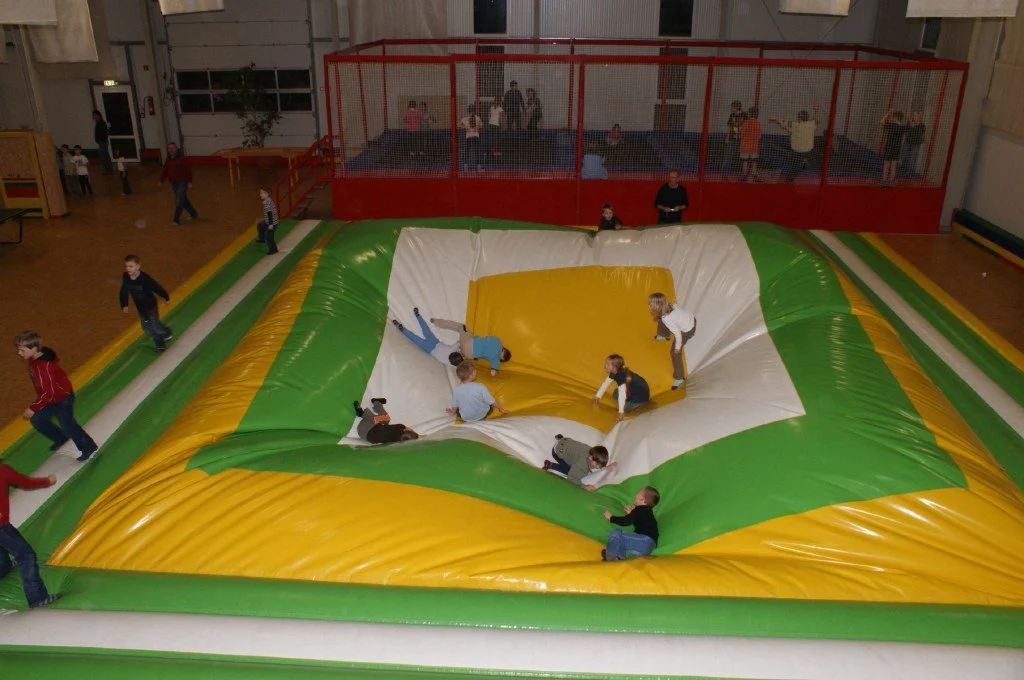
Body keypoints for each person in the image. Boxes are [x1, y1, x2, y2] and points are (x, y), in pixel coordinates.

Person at [15, 331, 98, 462]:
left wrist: (33, 408)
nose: (19, 353)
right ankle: (61, 438)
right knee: (37, 420)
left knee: (68, 425)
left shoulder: (44, 366)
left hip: (62, 398)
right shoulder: (34, 358)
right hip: (51, 398)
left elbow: (49, 392)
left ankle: (89, 447)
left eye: (22, 350)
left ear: (34, 348)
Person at [0, 464, 61, 608]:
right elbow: (25, 482)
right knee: (27, 556)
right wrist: (48, 480)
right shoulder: (3, 471)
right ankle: (37, 598)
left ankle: (4, 568)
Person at [120, 255, 174, 353]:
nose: (128, 269)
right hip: (141, 308)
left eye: (130, 266)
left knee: (155, 324)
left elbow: (156, 287)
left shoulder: (145, 279)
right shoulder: (126, 277)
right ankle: (159, 343)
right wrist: (124, 304)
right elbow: (124, 290)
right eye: (126, 266)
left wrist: (165, 296)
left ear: (138, 266)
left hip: (150, 306)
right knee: (146, 328)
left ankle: (166, 332)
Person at [430, 316, 511, 376]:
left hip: (469, 342)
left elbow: (484, 339)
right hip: (469, 355)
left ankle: (437, 322)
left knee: (461, 327)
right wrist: (495, 367)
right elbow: (493, 373)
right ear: (501, 359)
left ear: (504, 349)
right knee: (470, 358)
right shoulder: (496, 359)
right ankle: (457, 355)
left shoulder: (497, 340)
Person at [649, 292, 695, 390]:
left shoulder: (667, 318)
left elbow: (678, 334)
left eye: (651, 304)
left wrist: (677, 348)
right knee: (662, 319)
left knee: (674, 354)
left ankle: (679, 378)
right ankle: (664, 334)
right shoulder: (669, 305)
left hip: (688, 330)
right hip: (691, 318)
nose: (650, 306)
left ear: (658, 307)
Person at [601, 486, 660, 561]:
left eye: (638, 492)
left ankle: (610, 555)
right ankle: (619, 557)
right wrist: (631, 513)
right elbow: (639, 520)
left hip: (644, 541)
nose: (635, 494)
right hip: (649, 547)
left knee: (616, 534)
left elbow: (626, 521)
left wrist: (611, 518)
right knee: (621, 542)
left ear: (642, 498)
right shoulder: (648, 512)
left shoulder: (639, 510)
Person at [391, 307, 463, 367]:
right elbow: (455, 362)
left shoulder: (453, 349)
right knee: (415, 338)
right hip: (429, 349)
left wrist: (460, 350)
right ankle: (402, 329)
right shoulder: (447, 363)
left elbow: (459, 343)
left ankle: (417, 315)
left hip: (434, 342)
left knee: (425, 328)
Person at [543, 434, 617, 490]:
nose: (597, 467)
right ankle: (551, 465)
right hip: (557, 452)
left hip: (565, 441)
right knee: (569, 470)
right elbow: (572, 478)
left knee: (573, 452)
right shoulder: (582, 465)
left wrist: (606, 467)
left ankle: (560, 439)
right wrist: (584, 487)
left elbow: (598, 463)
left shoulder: (592, 451)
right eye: (596, 465)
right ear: (590, 457)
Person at [769, 103, 820, 183]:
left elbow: (783, 121)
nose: (797, 118)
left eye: (798, 117)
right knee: (796, 166)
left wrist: (774, 119)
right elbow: (816, 120)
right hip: (808, 151)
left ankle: (790, 179)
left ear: (799, 118)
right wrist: (816, 110)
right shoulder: (810, 124)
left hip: (797, 151)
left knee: (794, 166)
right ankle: (802, 166)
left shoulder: (796, 125)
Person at [593, 354, 650, 422]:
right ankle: (628, 401)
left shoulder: (621, 376)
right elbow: (606, 382)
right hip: (635, 391)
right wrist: (598, 396)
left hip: (640, 399)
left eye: (608, 365)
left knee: (623, 407)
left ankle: (637, 406)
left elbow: (622, 394)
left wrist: (621, 412)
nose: (605, 366)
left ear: (614, 367)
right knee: (615, 392)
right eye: (606, 364)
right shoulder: (615, 371)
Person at [159, 142, 198, 226]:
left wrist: (189, 181)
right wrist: (161, 181)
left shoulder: (182, 159)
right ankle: (193, 213)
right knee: (183, 199)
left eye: (173, 148)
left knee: (179, 200)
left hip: (182, 182)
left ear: (176, 149)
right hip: (174, 183)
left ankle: (176, 220)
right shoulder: (168, 159)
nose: (171, 149)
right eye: (169, 148)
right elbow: (165, 170)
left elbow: (188, 171)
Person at [353, 398, 419, 444]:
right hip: (364, 436)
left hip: (366, 427)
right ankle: (377, 402)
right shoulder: (396, 442)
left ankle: (362, 413)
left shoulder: (400, 427)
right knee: (384, 421)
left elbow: (406, 428)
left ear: (406, 430)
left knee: (383, 419)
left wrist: (410, 431)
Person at [880, 109, 906, 187]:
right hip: (896, 148)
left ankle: (884, 181)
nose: (893, 118)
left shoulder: (891, 125)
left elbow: (882, 121)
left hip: (889, 147)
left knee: (886, 164)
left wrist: (888, 113)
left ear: (895, 118)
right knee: (893, 166)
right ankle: (890, 182)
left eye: (893, 117)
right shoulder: (902, 127)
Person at [899, 111, 926, 179]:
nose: (914, 117)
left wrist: (911, 123)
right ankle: (902, 169)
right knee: (903, 155)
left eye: (915, 116)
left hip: (915, 144)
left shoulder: (922, 126)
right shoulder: (911, 123)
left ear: (919, 118)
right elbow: (905, 130)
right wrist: (908, 123)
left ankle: (909, 173)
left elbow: (917, 133)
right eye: (913, 115)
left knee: (912, 158)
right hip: (907, 142)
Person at [739, 107, 762, 182]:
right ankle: (754, 175)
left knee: (745, 161)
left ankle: (744, 175)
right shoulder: (758, 123)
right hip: (754, 146)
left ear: (749, 114)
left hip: (745, 146)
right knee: (754, 162)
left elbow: (741, 134)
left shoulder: (745, 122)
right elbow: (759, 136)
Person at [720, 100, 743, 172]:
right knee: (729, 155)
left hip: (741, 139)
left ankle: (740, 170)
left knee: (740, 155)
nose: (731, 108)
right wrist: (727, 137)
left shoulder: (744, 115)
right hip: (732, 138)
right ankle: (724, 171)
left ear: (736, 107)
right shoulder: (732, 115)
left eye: (732, 107)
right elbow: (729, 126)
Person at [459, 104, 484, 172]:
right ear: (474, 110)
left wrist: (466, 127)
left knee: (467, 152)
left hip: (468, 137)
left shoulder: (465, 118)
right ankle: (478, 168)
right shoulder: (477, 117)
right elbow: (481, 125)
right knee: (477, 152)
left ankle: (465, 167)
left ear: (468, 110)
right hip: (476, 136)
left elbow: (459, 124)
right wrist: (477, 127)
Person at [256, 187, 279, 255]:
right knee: (260, 225)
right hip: (268, 220)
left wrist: (271, 224)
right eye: (260, 193)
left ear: (267, 194)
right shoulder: (267, 200)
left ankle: (273, 250)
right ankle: (262, 239)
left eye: (261, 193)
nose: (260, 194)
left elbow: (270, 213)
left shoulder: (267, 203)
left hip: (272, 222)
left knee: (269, 237)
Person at [92, 109, 113, 173]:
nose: (94, 117)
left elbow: (105, 133)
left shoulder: (101, 123)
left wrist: (101, 140)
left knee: (104, 156)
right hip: (101, 142)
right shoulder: (98, 123)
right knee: (105, 155)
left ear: (98, 115)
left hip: (103, 142)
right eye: (93, 115)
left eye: (95, 115)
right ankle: (108, 169)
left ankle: (108, 169)